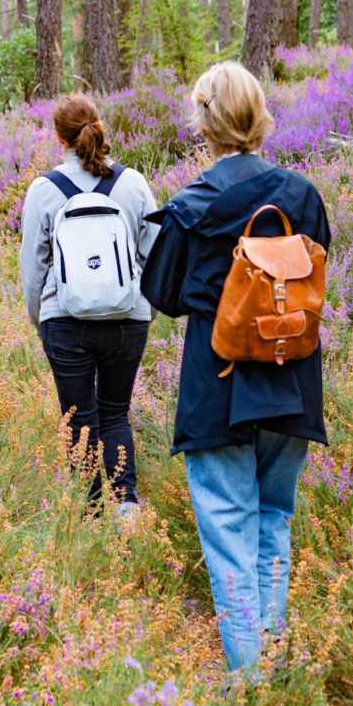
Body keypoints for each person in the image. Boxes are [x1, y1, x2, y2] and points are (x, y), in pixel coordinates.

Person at [140, 61, 331, 674]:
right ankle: (270, 657)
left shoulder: (193, 204)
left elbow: (163, 294)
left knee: (228, 531)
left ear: (205, 121)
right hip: (291, 379)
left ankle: (248, 676)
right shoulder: (303, 195)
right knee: (274, 516)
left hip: (217, 384)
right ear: (259, 116)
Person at [20, 93, 159, 517]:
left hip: (65, 321)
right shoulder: (132, 183)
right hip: (126, 319)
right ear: (98, 127)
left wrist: (39, 319)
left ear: (58, 136)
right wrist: (144, 307)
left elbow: (33, 268)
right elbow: (155, 252)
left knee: (78, 419)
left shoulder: (44, 190)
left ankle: (91, 514)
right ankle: (126, 510)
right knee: (116, 413)